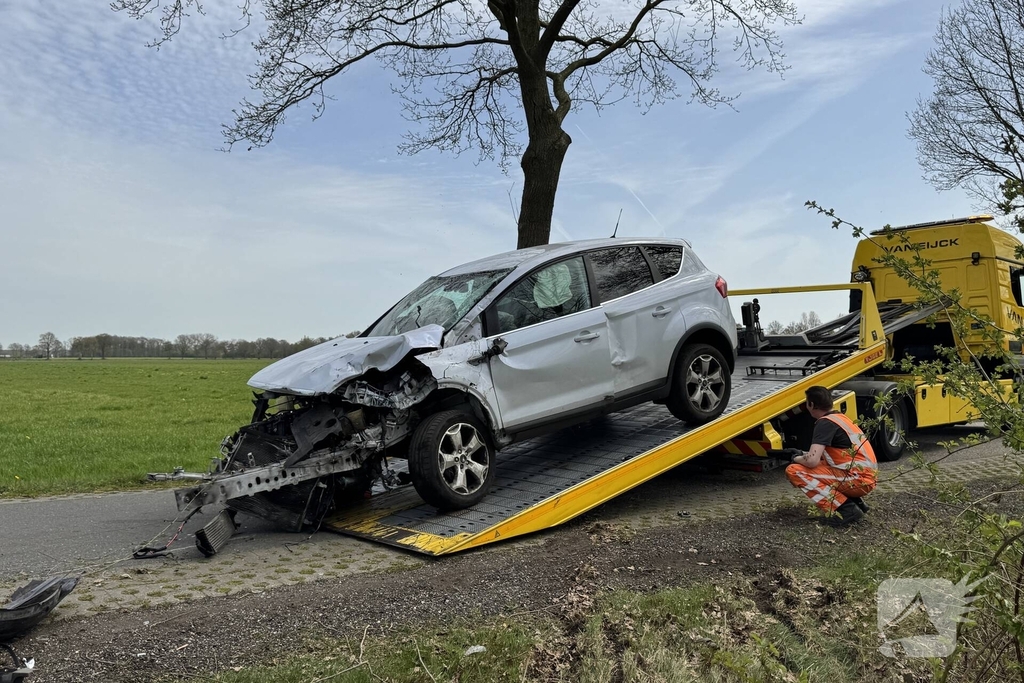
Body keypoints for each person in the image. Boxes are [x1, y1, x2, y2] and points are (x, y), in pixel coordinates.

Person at [785, 386, 877, 526]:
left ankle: (846, 509)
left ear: (811, 404)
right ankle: (855, 503)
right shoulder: (840, 418)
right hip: (864, 477)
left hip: (856, 479)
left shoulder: (824, 423)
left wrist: (795, 458)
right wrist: (801, 454)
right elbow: (830, 456)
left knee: (795, 470)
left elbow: (811, 461)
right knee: (823, 464)